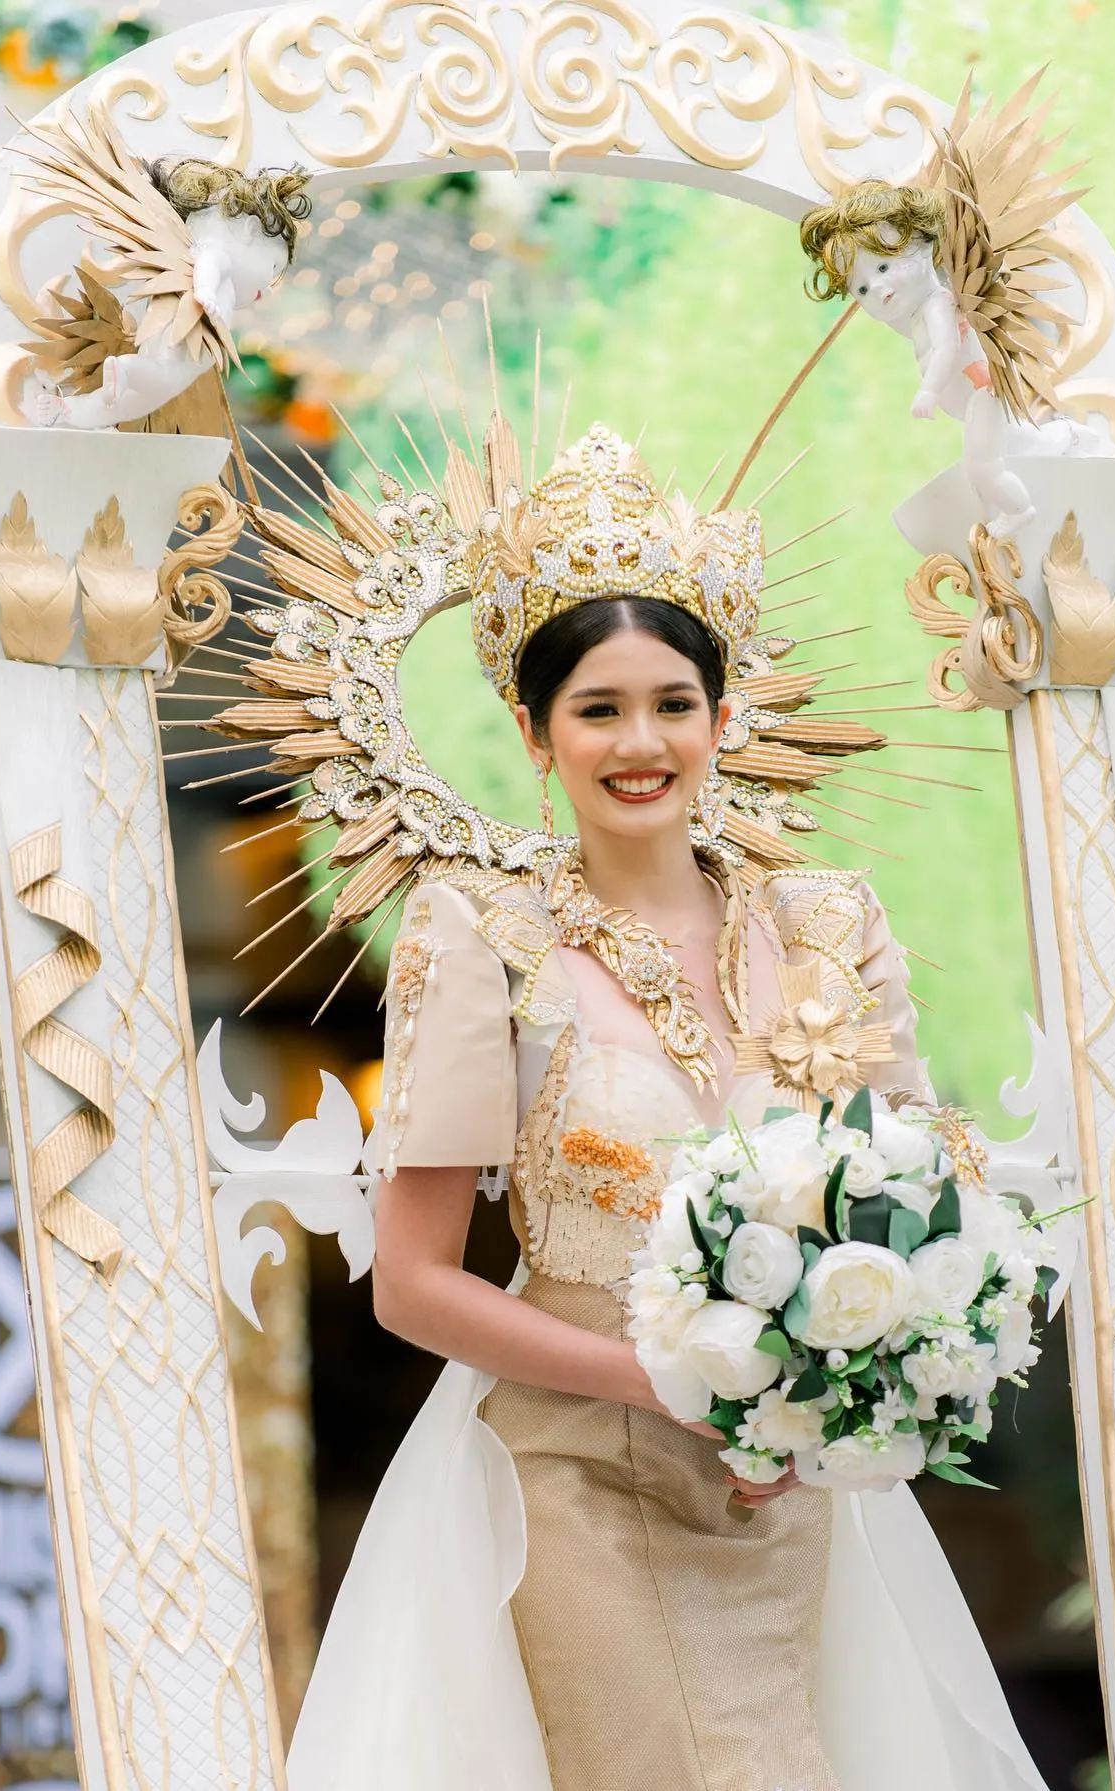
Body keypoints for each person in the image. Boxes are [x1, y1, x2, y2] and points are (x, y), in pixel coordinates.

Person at [283, 425, 1052, 1791]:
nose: (642, 741)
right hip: (581, 1473)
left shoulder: (829, 922)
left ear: (724, 711)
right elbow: (412, 1283)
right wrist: (672, 1382)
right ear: (532, 729)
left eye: (672, 702)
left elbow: (930, 1194)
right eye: (598, 707)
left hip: (789, 1487)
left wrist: (831, 1395)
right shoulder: (484, 936)